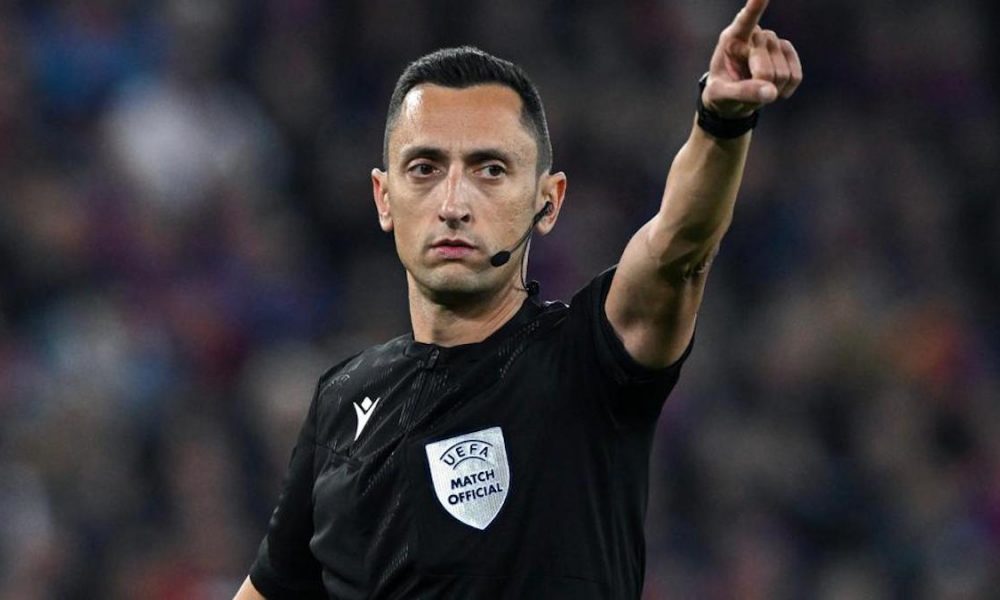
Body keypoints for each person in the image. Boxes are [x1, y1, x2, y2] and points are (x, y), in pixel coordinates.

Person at [235, 0, 801, 597]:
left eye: (490, 170)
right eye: (425, 168)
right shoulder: (344, 399)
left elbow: (678, 246)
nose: (453, 204)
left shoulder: (588, 359)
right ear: (383, 197)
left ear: (547, 201)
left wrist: (720, 122)